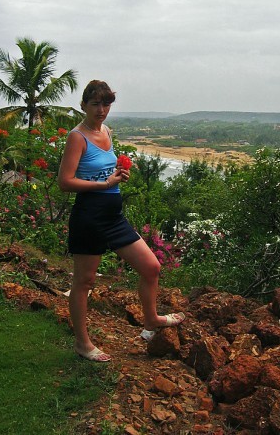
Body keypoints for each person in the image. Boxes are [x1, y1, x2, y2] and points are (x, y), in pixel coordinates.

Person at [58, 80, 185, 362]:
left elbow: (101, 173)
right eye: (96, 104)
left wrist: (118, 173)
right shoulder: (77, 137)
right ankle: (82, 343)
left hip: (113, 217)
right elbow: (65, 182)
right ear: (83, 105)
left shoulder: (106, 132)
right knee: (84, 281)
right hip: (89, 216)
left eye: (107, 104)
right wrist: (104, 185)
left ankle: (150, 320)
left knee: (151, 267)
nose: (102, 110)